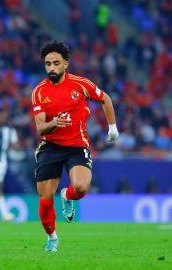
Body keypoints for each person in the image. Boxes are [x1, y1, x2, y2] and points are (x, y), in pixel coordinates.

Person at [31, 41, 119, 252]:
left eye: (55, 63)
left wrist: (112, 128)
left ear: (66, 64)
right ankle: (52, 238)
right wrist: (54, 123)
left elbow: (105, 99)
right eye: (47, 64)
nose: (51, 67)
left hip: (76, 146)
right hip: (50, 147)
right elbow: (41, 128)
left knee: (80, 188)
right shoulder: (39, 91)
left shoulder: (80, 84)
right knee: (44, 200)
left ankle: (67, 196)